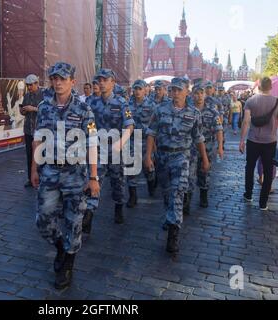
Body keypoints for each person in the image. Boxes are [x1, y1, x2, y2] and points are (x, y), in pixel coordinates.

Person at [31, 62, 100, 289]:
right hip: (49, 170)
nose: (58, 82)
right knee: (44, 219)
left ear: (72, 81)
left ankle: (68, 262)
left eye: (62, 78)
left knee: (73, 221)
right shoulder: (44, 107)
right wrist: (33, 168)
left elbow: (91, 143)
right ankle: (61, 246)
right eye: (54, 78)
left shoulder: (83, 110)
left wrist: (93, 177)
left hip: (75, 174)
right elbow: (38, 138)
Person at [145, 78, 210, 255]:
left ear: (186, 92)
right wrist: (148, 156)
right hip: (162, 157)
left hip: (181, 157)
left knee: (177, 192)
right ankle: (170, 215)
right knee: (167, 193)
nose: (175, 93)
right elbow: (151, 133)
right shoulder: (160, 110)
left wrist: (204, 159)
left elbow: (199, 138)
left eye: (178, 90)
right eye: (172, 90)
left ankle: (174, 232)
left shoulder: (194, 113)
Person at [83, 69, 134, 233]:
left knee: (117, 182)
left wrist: (121, 142)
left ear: (113, 82)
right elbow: (89, 125)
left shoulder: (121, 103)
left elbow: (129, 126)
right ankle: (89, 215)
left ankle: (119, 206)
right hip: (98, 149)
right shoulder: (92, 103)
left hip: (116, 151)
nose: (102, 83)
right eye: (100, 80)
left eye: (106, 80)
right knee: (94, 179)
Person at [239, 77, 278, 211]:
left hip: (253, 140)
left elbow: (246, 122)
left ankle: (248, 194)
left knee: (249, 168)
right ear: (270, 87)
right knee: (268, 170)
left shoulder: (250, 101)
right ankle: (263, 202)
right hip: (270, 141)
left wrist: (242, 141)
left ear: (258, 87)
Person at [185, 85, 224, 212]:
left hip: (207, 147)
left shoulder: (213, 111)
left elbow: (219, 129)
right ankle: (187, 201)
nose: (199, 96)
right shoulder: (187, 110)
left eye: (201, 93)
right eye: (196, 93)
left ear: (205, 95)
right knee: (189, 175)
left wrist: (220, 147)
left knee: (204, 172)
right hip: (190, 148)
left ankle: (203, 196)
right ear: (192, 95)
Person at [126, 79, 157, 207]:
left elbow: (155, 125)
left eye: (140, 89)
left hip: (146, 141)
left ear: (145, 90)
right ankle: (133, 197)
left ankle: (151, 183)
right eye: (135, 89)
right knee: (131, 169)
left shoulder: (152, 105)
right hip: (132, 140)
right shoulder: (128, 105)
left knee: (147, 168)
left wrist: (155, 143)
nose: (137, 91)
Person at [20, 74, 44, 188]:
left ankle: (42, 178)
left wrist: (33, 109)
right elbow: (23, 109)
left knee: (41, 155)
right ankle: (30, 179)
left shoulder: (44, 95)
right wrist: (23, 110)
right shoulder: (27, 96)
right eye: (27, 85)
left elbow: (48, 110)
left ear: (36, 83)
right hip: (29, 130)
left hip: (40, 130)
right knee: (29, 154)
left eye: (30, 85)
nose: (29, 87)